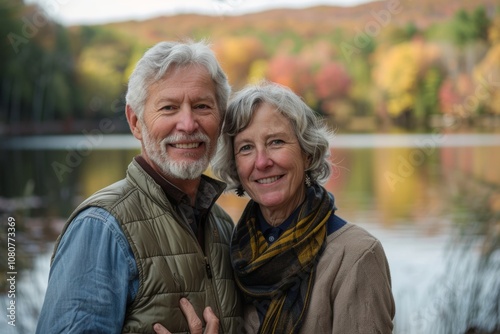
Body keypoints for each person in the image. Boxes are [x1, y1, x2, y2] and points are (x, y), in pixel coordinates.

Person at [35, 40, 243, 334]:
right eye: (169, 108)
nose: (187, 123)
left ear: (220, 120)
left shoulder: (222, 226)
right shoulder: (101, 228)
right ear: (135, 122)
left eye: (202, 106)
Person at [211, 81, 396, 333]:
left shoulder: (356, 256)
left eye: (276, 142)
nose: (262, 162)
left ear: (307, 153)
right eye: (246, 148)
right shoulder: (231, 251)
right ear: (235, 165)